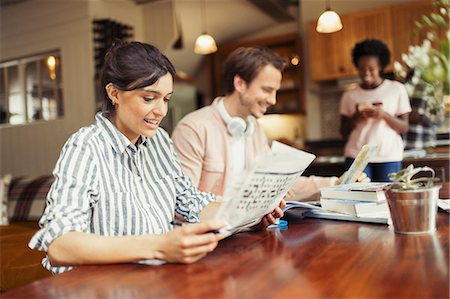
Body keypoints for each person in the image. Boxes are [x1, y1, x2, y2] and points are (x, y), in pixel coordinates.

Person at [29, 41, 283, 274]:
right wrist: (159, 246)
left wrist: (250, 214)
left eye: (166, 99)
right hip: (102, 285)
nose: (161, 111)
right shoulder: (86, 147)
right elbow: (60, 245)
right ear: (114, 93)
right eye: (149, 98)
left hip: (155, 279)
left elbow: (192, 204)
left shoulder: (158, 141)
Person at [172, 46, 365, 202]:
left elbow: (279, 184)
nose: (273, 100)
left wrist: (335, 184)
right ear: (240, 84)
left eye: (275, 91)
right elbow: (182, 202)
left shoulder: (253, 129)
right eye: (266, 89)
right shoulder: (193, 129)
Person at [340, 39, 411, 182]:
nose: (366, 73)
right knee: (357, 197)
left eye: (371, 69)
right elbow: (343, 131)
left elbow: (404, 127)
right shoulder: (349, 96)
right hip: (357, 155)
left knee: (387, 199)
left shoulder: (396, 89)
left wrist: (383, 115)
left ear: (380, 67)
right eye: (361, 69)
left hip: (389, 155)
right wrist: (356, 116)